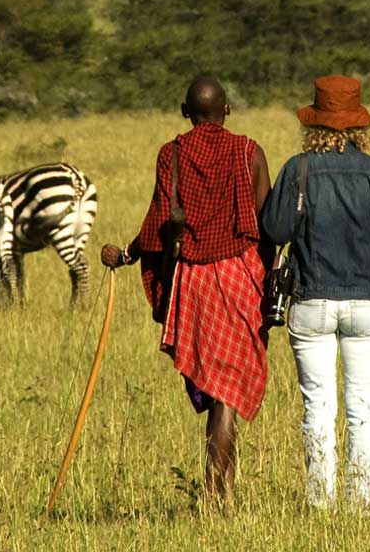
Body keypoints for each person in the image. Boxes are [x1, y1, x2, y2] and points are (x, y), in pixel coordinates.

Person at [101, 76, 272, 508]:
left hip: (193, 281)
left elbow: (157, 225)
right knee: (226, 393)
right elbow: (267, 226)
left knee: (218, 391)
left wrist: (124, 254)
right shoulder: (250, 152)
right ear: (227, 110)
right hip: (240, 277)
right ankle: (221, 494)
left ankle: (219, 494)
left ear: (185, 110)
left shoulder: (171, 154)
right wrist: (268, 284)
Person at [259, 75, 370, 510]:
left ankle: (319, 503)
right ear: (359, 124)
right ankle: (361, 505)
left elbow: (275, 229)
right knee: (363, 407)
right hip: (368, 303)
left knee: (317, 408)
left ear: (314, 124)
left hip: (311, 303)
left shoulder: (297, 169)